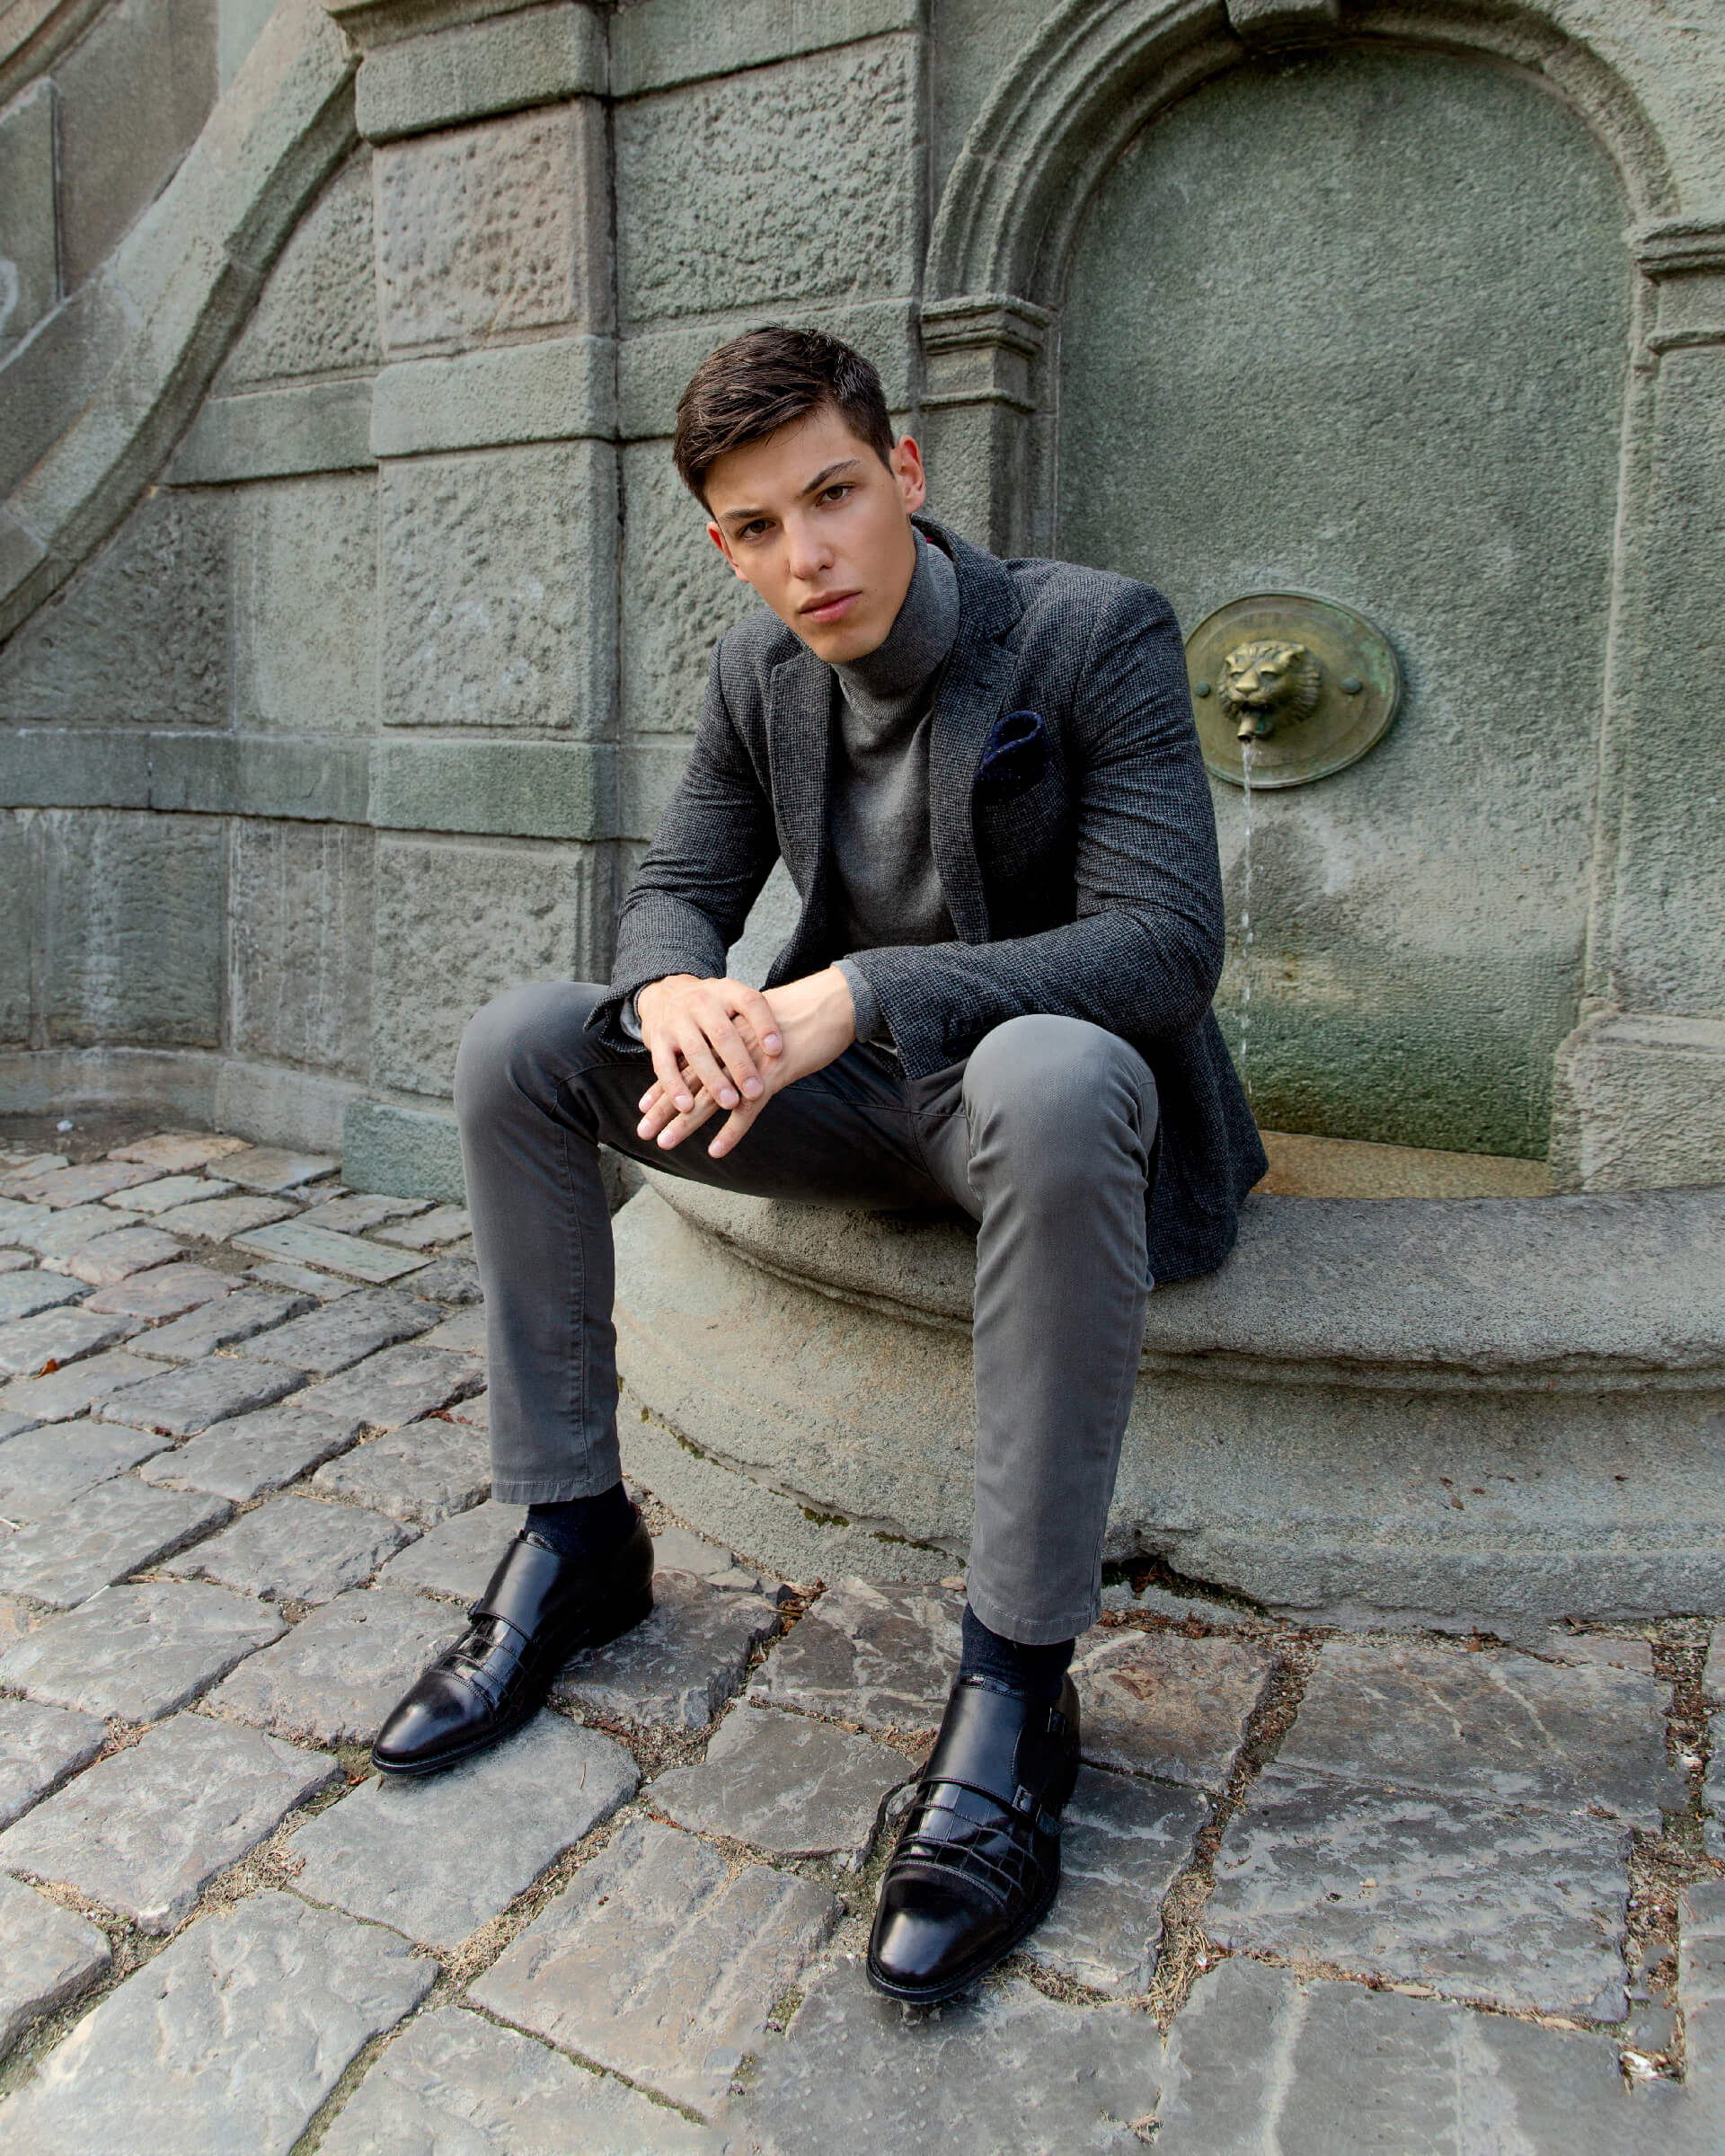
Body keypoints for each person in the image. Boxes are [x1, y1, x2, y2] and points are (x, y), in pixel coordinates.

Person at [372, 325, 1266, 2004]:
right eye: (759, 527)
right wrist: (676, 992)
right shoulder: (757, 673)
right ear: (725, 545)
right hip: (861, 1105)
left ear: (905, 474)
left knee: (1058, 1069)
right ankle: (578, 1538)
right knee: (524, 1043)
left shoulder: (1090, 632)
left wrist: (858, 992)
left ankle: (1016, 1691)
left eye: (835, 496)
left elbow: (1164, 947)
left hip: (1035, 1109)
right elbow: (676, 887)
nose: (809, 556)